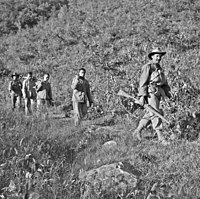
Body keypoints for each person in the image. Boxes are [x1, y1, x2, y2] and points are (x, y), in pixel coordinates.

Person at [133, 47, 171, 145]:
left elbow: (164, 82)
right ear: (152, 57)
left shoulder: (159, 68)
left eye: (160, 56)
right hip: (151, 93)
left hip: (159, 92)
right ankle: (161, 137)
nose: (159, 58)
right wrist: (142, 96)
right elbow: (143, 82)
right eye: (157, 56)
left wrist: (167, 93)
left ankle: (138, 130)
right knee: (155, 113)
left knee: (151, 113)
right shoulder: (148, 67)